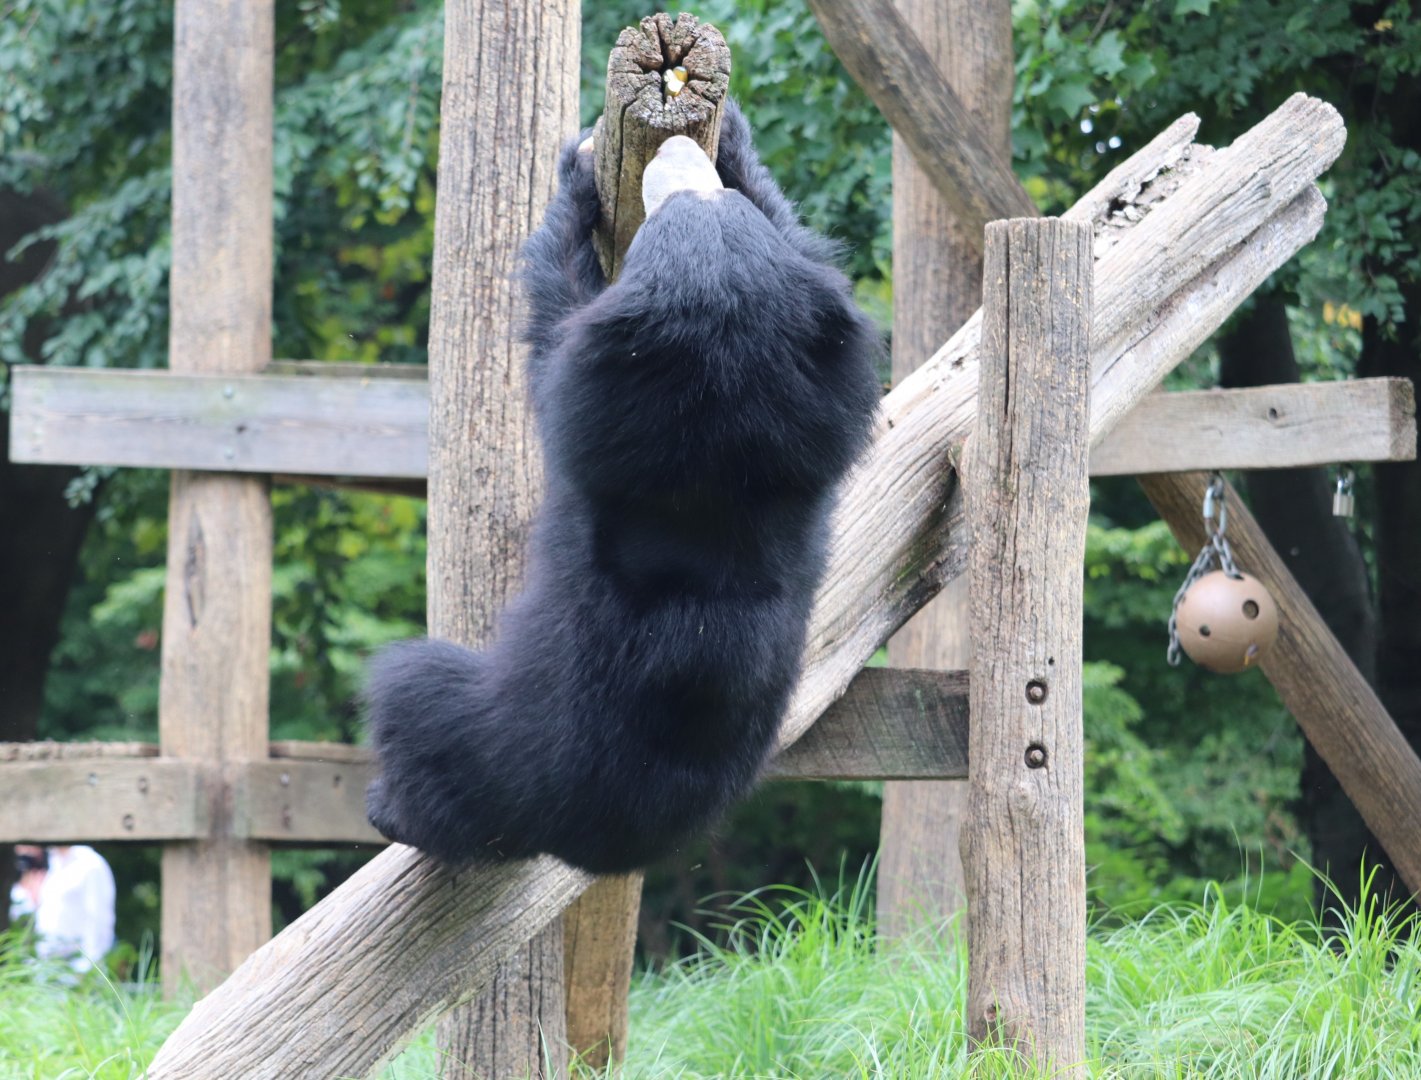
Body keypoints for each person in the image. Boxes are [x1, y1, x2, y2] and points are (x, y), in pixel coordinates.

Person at [11, 844, 116, 974]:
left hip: (78, 972)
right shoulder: (53, 865)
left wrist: (89, 970)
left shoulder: (90, 864)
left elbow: (99, 921)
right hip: (48, 971)